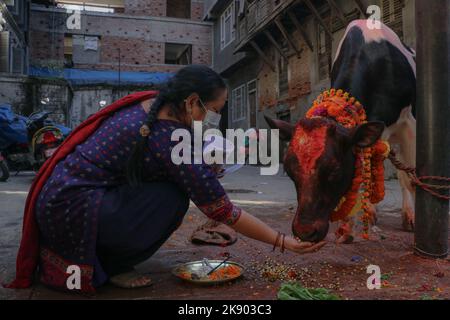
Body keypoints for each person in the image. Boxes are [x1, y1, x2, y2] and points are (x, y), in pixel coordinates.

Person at [7, 65, 325, 292]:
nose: (214, 117)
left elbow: (155, 162)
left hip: (63, 199)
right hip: (72, 210)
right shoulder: (170, 136)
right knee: (173, 198)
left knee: (175, 186)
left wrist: (200, 168)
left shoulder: (153, 105)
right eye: (214, 109)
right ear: (191, 102)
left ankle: (108, 254)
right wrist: (283, 242)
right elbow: (222, 211)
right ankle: (112, 264)